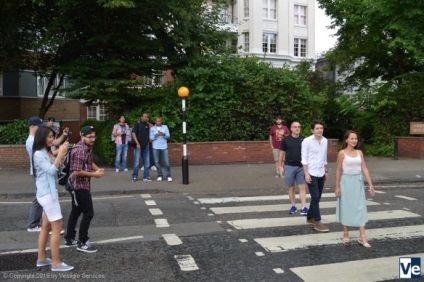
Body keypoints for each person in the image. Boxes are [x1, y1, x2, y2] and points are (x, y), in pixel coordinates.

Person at [32, 126, 74, 271]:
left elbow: (57, 165)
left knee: (46, 226)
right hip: (47, 195)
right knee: (57, 226)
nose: (52, 139)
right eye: (50, 137)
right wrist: (61, 152)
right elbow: (51, 171)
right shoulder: (38, 154)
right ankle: (56, 263)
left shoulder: (45, 152)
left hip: (46, 193)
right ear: (42, 137)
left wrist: (61, 154)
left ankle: (42, 259)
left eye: (52, 136)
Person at [64, 126, 104, 253]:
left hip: (77, 185)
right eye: (90, 137)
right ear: (82, 136)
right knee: (88, 213)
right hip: (79, 186)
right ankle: (82, 242)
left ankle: (69, 238)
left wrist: (97, 169)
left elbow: (89, 162)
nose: (93, 139)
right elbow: (77, 171)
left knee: (76, 211)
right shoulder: (80, 150)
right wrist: (94, 175)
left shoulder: (85, 148)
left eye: (94, 137)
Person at [335, 130, 375, 247]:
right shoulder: (341, 153)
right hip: (346, 182)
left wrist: (370, 184)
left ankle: (362, 236)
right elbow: (338, 170)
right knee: (346, 206)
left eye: (356, 138)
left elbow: (365, 168)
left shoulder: (360, 152)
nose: (354, 141)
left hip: (358, 182)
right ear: (346, 140)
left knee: (360, 208)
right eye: (352, 138)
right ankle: (346, 232)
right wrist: (337, 186)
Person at [301, 120, 329, 232]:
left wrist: (326, 171)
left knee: (317, 197)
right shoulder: (307, 141)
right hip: (311, 173)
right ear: (312, 130)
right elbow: (304, 158)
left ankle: (309, 217)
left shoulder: (325, 141)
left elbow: (324, 157)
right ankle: (317, 222)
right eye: (317, 128)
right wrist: (306, 173)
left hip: (321, 172)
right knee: (316, 197)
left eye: (321, 128)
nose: (319, 130)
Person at [279, 121, 308, 215]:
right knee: (291, 187)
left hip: (301, 167)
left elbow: (308, 153)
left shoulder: (304, 139)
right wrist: (280, 166)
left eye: (299, 127)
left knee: (302, 187)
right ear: (291, 129)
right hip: (289, 166)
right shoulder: (286, 140)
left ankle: (304, 207)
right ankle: (293, 206)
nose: (297, 128)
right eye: (295, 127)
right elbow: (281, 153)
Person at [26, 117, 44, 232]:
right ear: (32, 126)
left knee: (41, 197)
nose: (40, 128)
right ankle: (33, 224)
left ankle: (39, 223)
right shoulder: (31, 141)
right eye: (39, 126)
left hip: (37, 172)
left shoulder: (33, 139)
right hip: (38, 172)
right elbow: (40, 157)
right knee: (40, 198)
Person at [149, 116, 172, 182]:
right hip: (155, 147)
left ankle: (168, 175)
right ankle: (160, 175)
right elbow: (151, 138)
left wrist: (164, 134)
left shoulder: (165, 127)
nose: (159, 122)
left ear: (161, 121)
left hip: (164, 146)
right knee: (157, 162)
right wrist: (155, 135)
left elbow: (168, 136)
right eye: (157, 121)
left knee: (167, 162)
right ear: (155, 121)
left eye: (160, 121)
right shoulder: (152, 128)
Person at [131, 112, 151, 182]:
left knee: (147, 162)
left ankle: (146, 177)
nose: (146, 118)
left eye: (147, 117)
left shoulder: (147, 125)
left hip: (146, 145)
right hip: (138, 146)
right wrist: (137, 143)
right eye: (145, 117)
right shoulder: (137, 124)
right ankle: (134, 176)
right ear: (141, 117)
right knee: (136, 162)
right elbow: (133, 133)